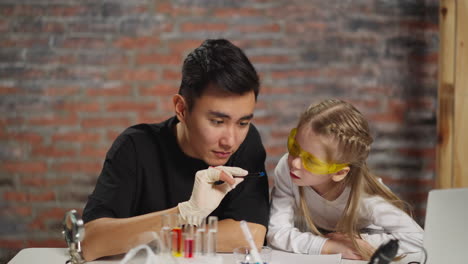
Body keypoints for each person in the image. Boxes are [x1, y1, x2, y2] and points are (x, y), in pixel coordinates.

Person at [81, 39, 270, 261]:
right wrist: (184, 212)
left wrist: (151, 235)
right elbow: (92, 243)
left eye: (243, 123)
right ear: (181, 109)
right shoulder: (135, 147)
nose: (230, 141)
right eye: (217, 121)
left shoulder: (247, 143)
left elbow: (251, 236)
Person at [267, 99, 423, 260]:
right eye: (294, 147)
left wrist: (358, 241)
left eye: (312, 161)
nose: (295, 162)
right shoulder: (287, 170)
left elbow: (418, 239)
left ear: (339, 172)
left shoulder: (367, 197)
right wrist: (328, 246)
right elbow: (276, 233)